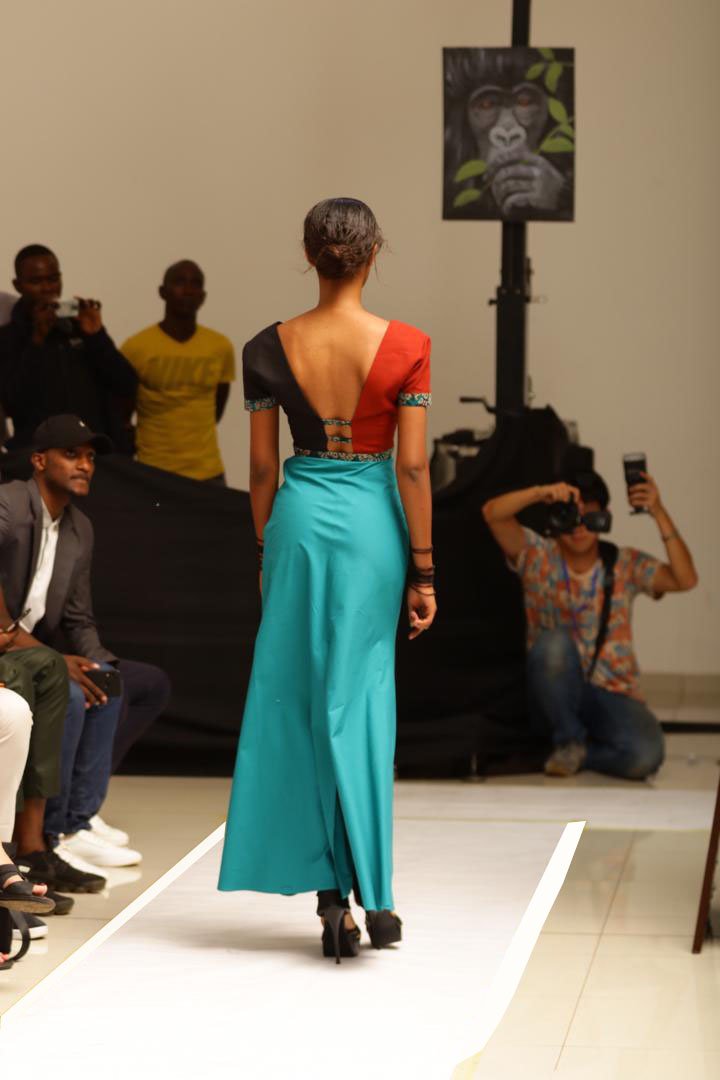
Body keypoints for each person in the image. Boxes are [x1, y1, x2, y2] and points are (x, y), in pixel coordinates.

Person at [218, 198, 436, 962]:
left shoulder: (265, 346)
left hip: (300, 521)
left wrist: (264, 554)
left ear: (309, 254)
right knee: (361, 702)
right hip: (372, 522)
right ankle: (375, 895)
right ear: (374, 252)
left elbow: (259, 470)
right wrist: (425, 570)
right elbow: (413, 467)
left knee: (303, 703)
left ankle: (330, 897)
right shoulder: (407, 345)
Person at [0, 415, 167, 879]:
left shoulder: (79, 528)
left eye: (90, 457)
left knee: (105, 683)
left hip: (33, 649)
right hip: (9, 647)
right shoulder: (9, 504)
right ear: (39, 461)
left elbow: (77, 617)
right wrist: (57, 661)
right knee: (71, 694)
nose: (85, 465)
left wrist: (100, 666)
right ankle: (47, 835)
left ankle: (75, 823)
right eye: (71, 454)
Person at [483, 468, 698, 779]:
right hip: (552, 691)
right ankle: (568, 739)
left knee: (646, 755)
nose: (579, 527)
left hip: (611, 694)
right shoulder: (537, 556)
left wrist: (657, 511)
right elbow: (492, 514)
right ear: (554, 519)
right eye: (570, 515)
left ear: (605, 518)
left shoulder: (624, 563)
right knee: (554, 644)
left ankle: (576, 752)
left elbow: (685, 579)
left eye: (589, 517)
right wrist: (541, 492)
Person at [0, 245, 137, 452]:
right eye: (36, 281)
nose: (47, 288)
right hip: (39, 458)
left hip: (95, 452)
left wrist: (97, 336)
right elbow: (12, 404)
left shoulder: (80, 328)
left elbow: (126, 384)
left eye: (53, 279)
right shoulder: (8, 337)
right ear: (18, 286)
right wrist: (37, 341)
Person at [120, 260, 235, 483]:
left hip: (208, 472)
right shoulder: (136, 347)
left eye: (196, 284)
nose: (188, 290)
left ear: (203, 296)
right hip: (153, 471)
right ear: (162, 292)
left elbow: (217, 411)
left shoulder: (220, 347)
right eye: (179, 282)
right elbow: (122, 415)